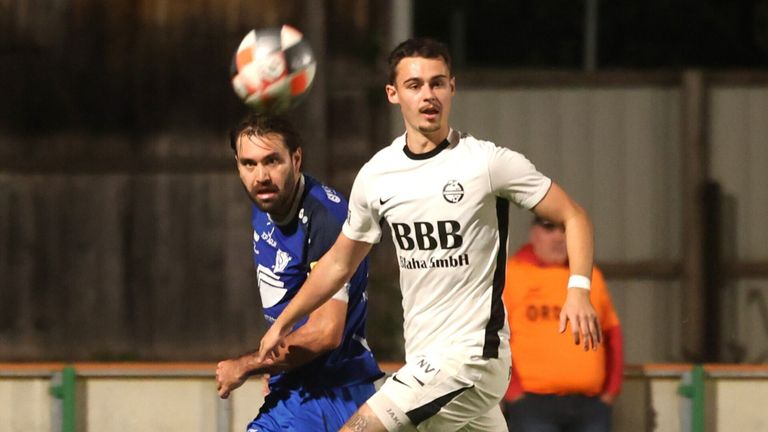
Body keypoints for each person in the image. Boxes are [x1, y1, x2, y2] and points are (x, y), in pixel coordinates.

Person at [257, 37, 602, 432]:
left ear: (452, 87)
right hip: (426, 359)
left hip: (472, 357)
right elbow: (338, 262)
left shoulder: (487, 163)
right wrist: (284, 322)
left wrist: (578, 290)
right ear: (393, 93)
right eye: (414, 85)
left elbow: (574, 216)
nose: (428, 95)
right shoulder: (378, 174)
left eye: (437, 83)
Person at [215, 114, 383, 431]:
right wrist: (278, 365)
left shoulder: (325, 218)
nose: (261, 175)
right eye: (249, 164)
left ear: (296, 158)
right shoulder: (266, 204)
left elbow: (325, 332)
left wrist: (247, 364)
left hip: (328, 393)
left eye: (272, 161)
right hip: (298, 387)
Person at [502, 216, 624, 432]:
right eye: (549, 229)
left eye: (564, 230)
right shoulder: (512, 274)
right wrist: (513, 392)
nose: (559, 237)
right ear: (534, 234)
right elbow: (496, 337)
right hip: (532, 404)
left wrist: (610, 392)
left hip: (590, 406)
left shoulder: (589, 277)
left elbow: (612, 334)